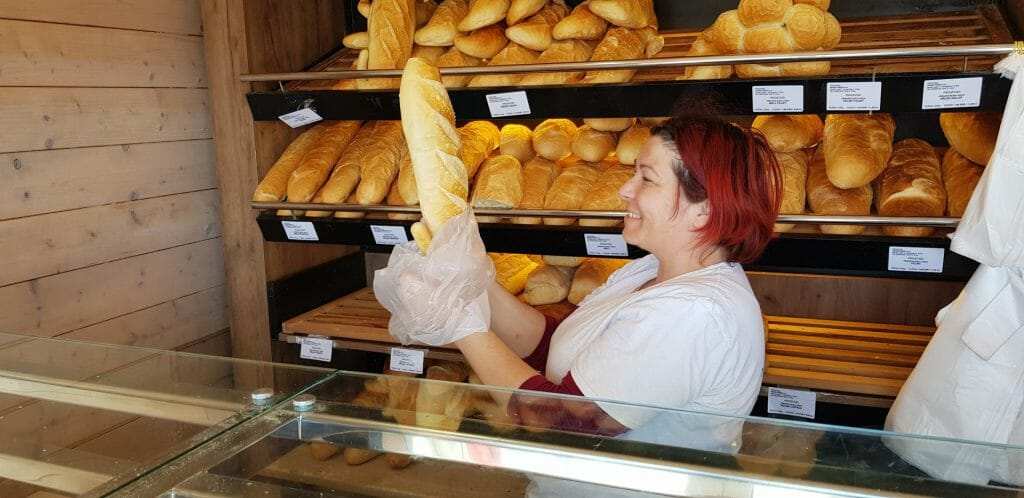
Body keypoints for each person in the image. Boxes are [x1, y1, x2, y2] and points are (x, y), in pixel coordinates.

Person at [377, 114, 781, 451]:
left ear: (704, 211)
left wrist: (462, 325)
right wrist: (478, 279)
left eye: (647, 179)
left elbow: (563, 423)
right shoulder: (649, 272)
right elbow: (558, 346)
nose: (625, 190)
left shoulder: (692, 314)